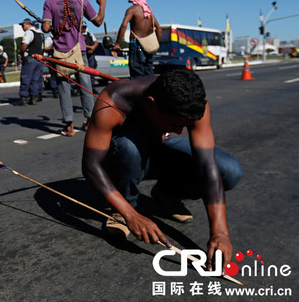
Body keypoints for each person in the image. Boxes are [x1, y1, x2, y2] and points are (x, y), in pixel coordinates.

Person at [82, 69, 242, 270]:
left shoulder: (194, 102)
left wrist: (220, 233)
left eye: (184, 126)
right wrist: (132, 215)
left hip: (156, 153)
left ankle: (166, 193)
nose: (177, 131)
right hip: (124, 160)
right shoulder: (113, 100)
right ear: (150, 104)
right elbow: (91, 165)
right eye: (174, 124)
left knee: (228, 170)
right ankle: (123, 209)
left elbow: (207, 166)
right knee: (128, 148)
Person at [42, 0, 106, 136]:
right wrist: (102, 5)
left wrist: (51, 24)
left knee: (64, 88)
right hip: (79, 48)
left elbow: (45, 28)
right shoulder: (81, 0)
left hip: (60, 51)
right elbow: (98, 21)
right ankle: (89, 121)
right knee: (86, 85)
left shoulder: (49, 1)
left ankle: (69, 126)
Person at [112, 0, 161, 78]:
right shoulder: (149, 11)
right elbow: (159, 29)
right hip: (148, 46)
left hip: (136, 44)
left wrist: (117, 44)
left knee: (137, 75)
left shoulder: (132, 10)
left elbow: (124, 25)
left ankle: (139, 92)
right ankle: (150, 92)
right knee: (149, 74)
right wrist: (156, 45)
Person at [16, 18, 44, 106]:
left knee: (26, 78)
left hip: (30, 58)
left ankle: (23, 98)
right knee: (35, 79)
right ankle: (33, 98)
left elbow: (24, 44)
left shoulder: (29, 32)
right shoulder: (40, 34)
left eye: (23, 25)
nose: (22, 27)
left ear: (28, 24)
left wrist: (21, 54)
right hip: (38, 59)